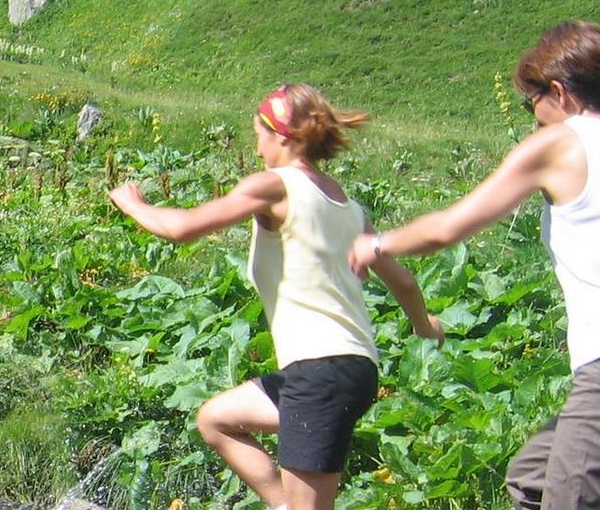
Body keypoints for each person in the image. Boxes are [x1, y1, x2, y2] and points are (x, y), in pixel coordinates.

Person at [110, 84, 443, 510]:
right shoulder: (350, 208)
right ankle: (283, 503)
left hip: (318, 372)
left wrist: (134, 205)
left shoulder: (275, 186)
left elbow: (184, 228)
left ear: (281, 135)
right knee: (216, 420)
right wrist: (424, 325)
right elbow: (406, 283)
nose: (257, 144)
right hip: (351, 369)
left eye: (259, 132)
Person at [350, 21, 600, 509]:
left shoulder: (563, 142)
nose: (534, 120)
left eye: (533, 105)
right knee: (534, 478)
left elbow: (449, 227)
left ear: (560, 93)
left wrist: (377, 244)